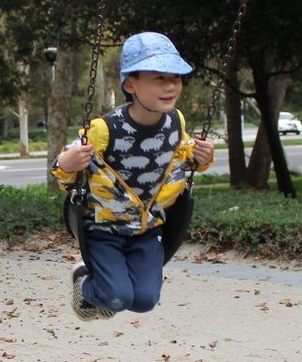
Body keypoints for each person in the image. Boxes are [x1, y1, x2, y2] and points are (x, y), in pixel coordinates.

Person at [52, 32, 215, 320]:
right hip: (103, 230)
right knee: (117, 297)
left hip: (147, 228)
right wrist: (68, 162)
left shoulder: (176, 121)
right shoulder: (105, 129)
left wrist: (202, 157)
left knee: (144, 301)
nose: (170, 86)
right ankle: (85, 281)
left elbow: (182, 156)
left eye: (175, 78)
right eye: (159, 78)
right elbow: (66, 171)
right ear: (131, 84)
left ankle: (106, 294)